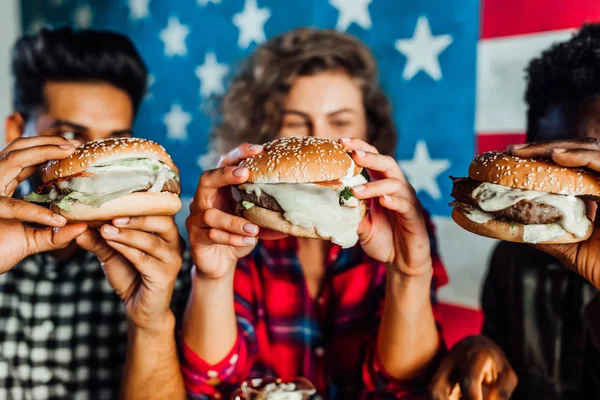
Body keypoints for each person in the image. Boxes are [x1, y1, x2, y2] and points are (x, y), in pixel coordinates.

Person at [179, 27, 449, 399]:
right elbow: (213, 387)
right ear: (263, 131)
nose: (319, 139)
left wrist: (408, 272)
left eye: (340, 122)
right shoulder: (231, 227)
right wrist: (211, 277)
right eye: (294, 123)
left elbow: (403, 388)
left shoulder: (400, 224)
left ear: (369, 130)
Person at [0, 27, 188, 399]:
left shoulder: (160, 261)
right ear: (16, 130)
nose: (102, 161)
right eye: (72, 134)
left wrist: (149, 323)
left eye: (116, 140)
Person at [428, 24, 600, 400]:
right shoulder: (513, 256)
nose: (584, 194)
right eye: (560, 172)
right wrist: (482, 353)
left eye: (594, 167)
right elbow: (501, 363)